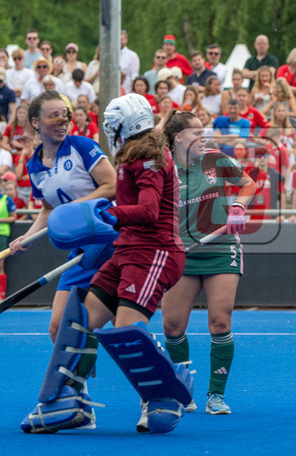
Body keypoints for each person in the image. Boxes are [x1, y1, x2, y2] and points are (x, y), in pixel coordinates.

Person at [22, 93, 189, 434]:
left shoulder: (149, 160)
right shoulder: (134, 157)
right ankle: (70, 402)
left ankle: (164, 395)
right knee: (82, 321)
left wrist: (107, 214)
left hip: (153, 252)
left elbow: (148, 212)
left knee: (126, 330)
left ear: (121, 128)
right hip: (127, 251)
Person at [159, 111, 254, 415]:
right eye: (197, 132)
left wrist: (238, 206)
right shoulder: (162, 168)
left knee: (220, 322)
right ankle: (182, 390)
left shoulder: (214, 159)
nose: (204, 137)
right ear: (177, 138)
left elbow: (247, 184)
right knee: (172, 326)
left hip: (220, 249)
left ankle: (216, 395)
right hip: (181, 254)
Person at [10, 91, 117, 339]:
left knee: (100, 323)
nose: (62, 121)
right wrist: (27, 237)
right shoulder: (34, 167)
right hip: (81, 249)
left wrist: (72, 209)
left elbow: (112, 187)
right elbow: (48, 208)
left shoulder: (82, 146)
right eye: (53, 116)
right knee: (59, 328)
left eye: (64, 115)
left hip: (107, 239)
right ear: (36, 122)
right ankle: (77, 378)